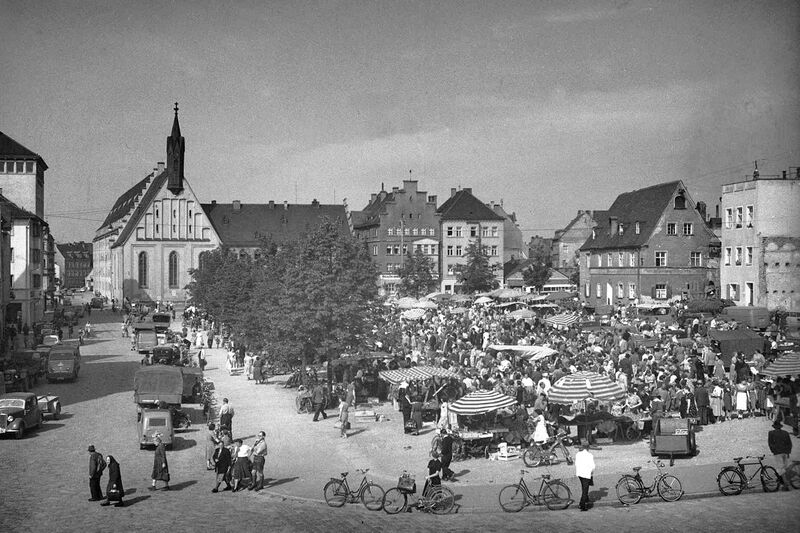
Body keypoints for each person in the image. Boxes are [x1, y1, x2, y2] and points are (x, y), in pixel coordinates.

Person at [768, 420, 793, 491]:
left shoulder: (771, 433)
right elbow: (789, 443)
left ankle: (785, 484)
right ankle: (782, 481)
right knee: (785, 467)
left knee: (780, 469)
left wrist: (773, 451)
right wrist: (788, 452)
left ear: (774, 427)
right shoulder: (785, 433)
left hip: (777, 452)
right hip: (785, 452)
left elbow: (770, 443)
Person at [575, 443, 595, 511]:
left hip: (580, 473)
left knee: (583, 486)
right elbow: (592, 466)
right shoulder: (590, 455)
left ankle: (586, 499)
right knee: (585, 490)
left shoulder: (578, 454)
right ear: (588, 448)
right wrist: (591, 472)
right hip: (586, 474)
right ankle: (582, 505)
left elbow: (576, 464)